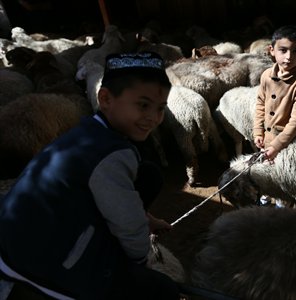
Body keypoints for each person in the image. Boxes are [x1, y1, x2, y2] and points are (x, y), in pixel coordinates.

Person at [0, 52, 180, 299]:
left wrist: (145, 218)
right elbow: (128, 224)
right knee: (163, 290)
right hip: (39, 265)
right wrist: (139, 261)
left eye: (160, 109)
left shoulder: (86, 132)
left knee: (147, 174)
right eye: (143, 105)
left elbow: (121, 199)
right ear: (105, 98)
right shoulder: (112, 155)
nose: (153, 117)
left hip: (18, 240)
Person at [253, 25, 296, 162]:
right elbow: (260, 103)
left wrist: (277, 145)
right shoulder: (266, 75)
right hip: (266, 140)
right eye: (283, 50)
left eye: (295, 51)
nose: (288, 57)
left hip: (289, 144)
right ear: (272, 50)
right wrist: (258, 131)